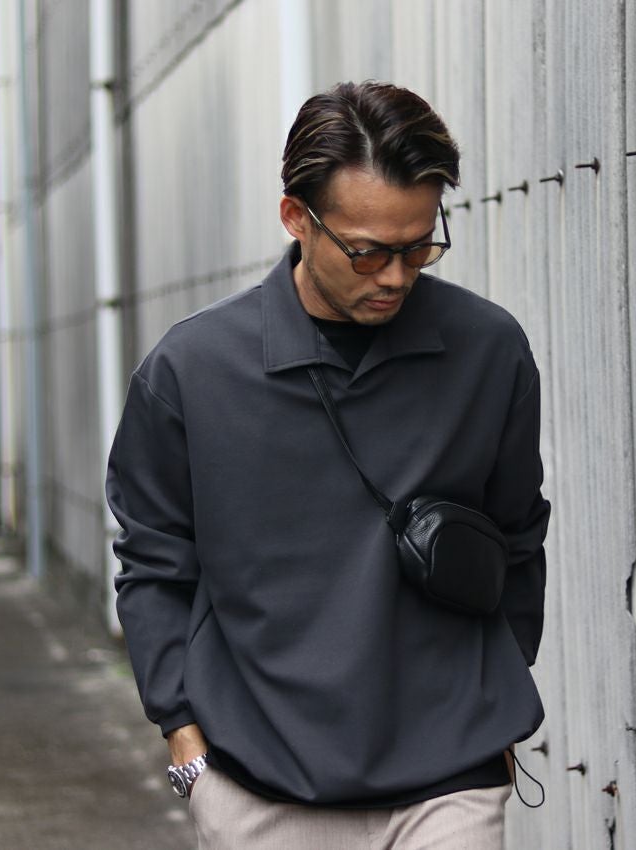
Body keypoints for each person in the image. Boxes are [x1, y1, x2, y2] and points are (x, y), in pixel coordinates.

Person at [106, 80, 550, 850]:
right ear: (296, 218)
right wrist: (183, 739)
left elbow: (518, 537)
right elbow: (154, 563)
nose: (396, 276)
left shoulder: (489, 350)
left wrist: (495, 712)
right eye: (368, 251)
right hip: (259, 786)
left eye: (420, 245)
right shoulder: (192, 371)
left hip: (451, 779)